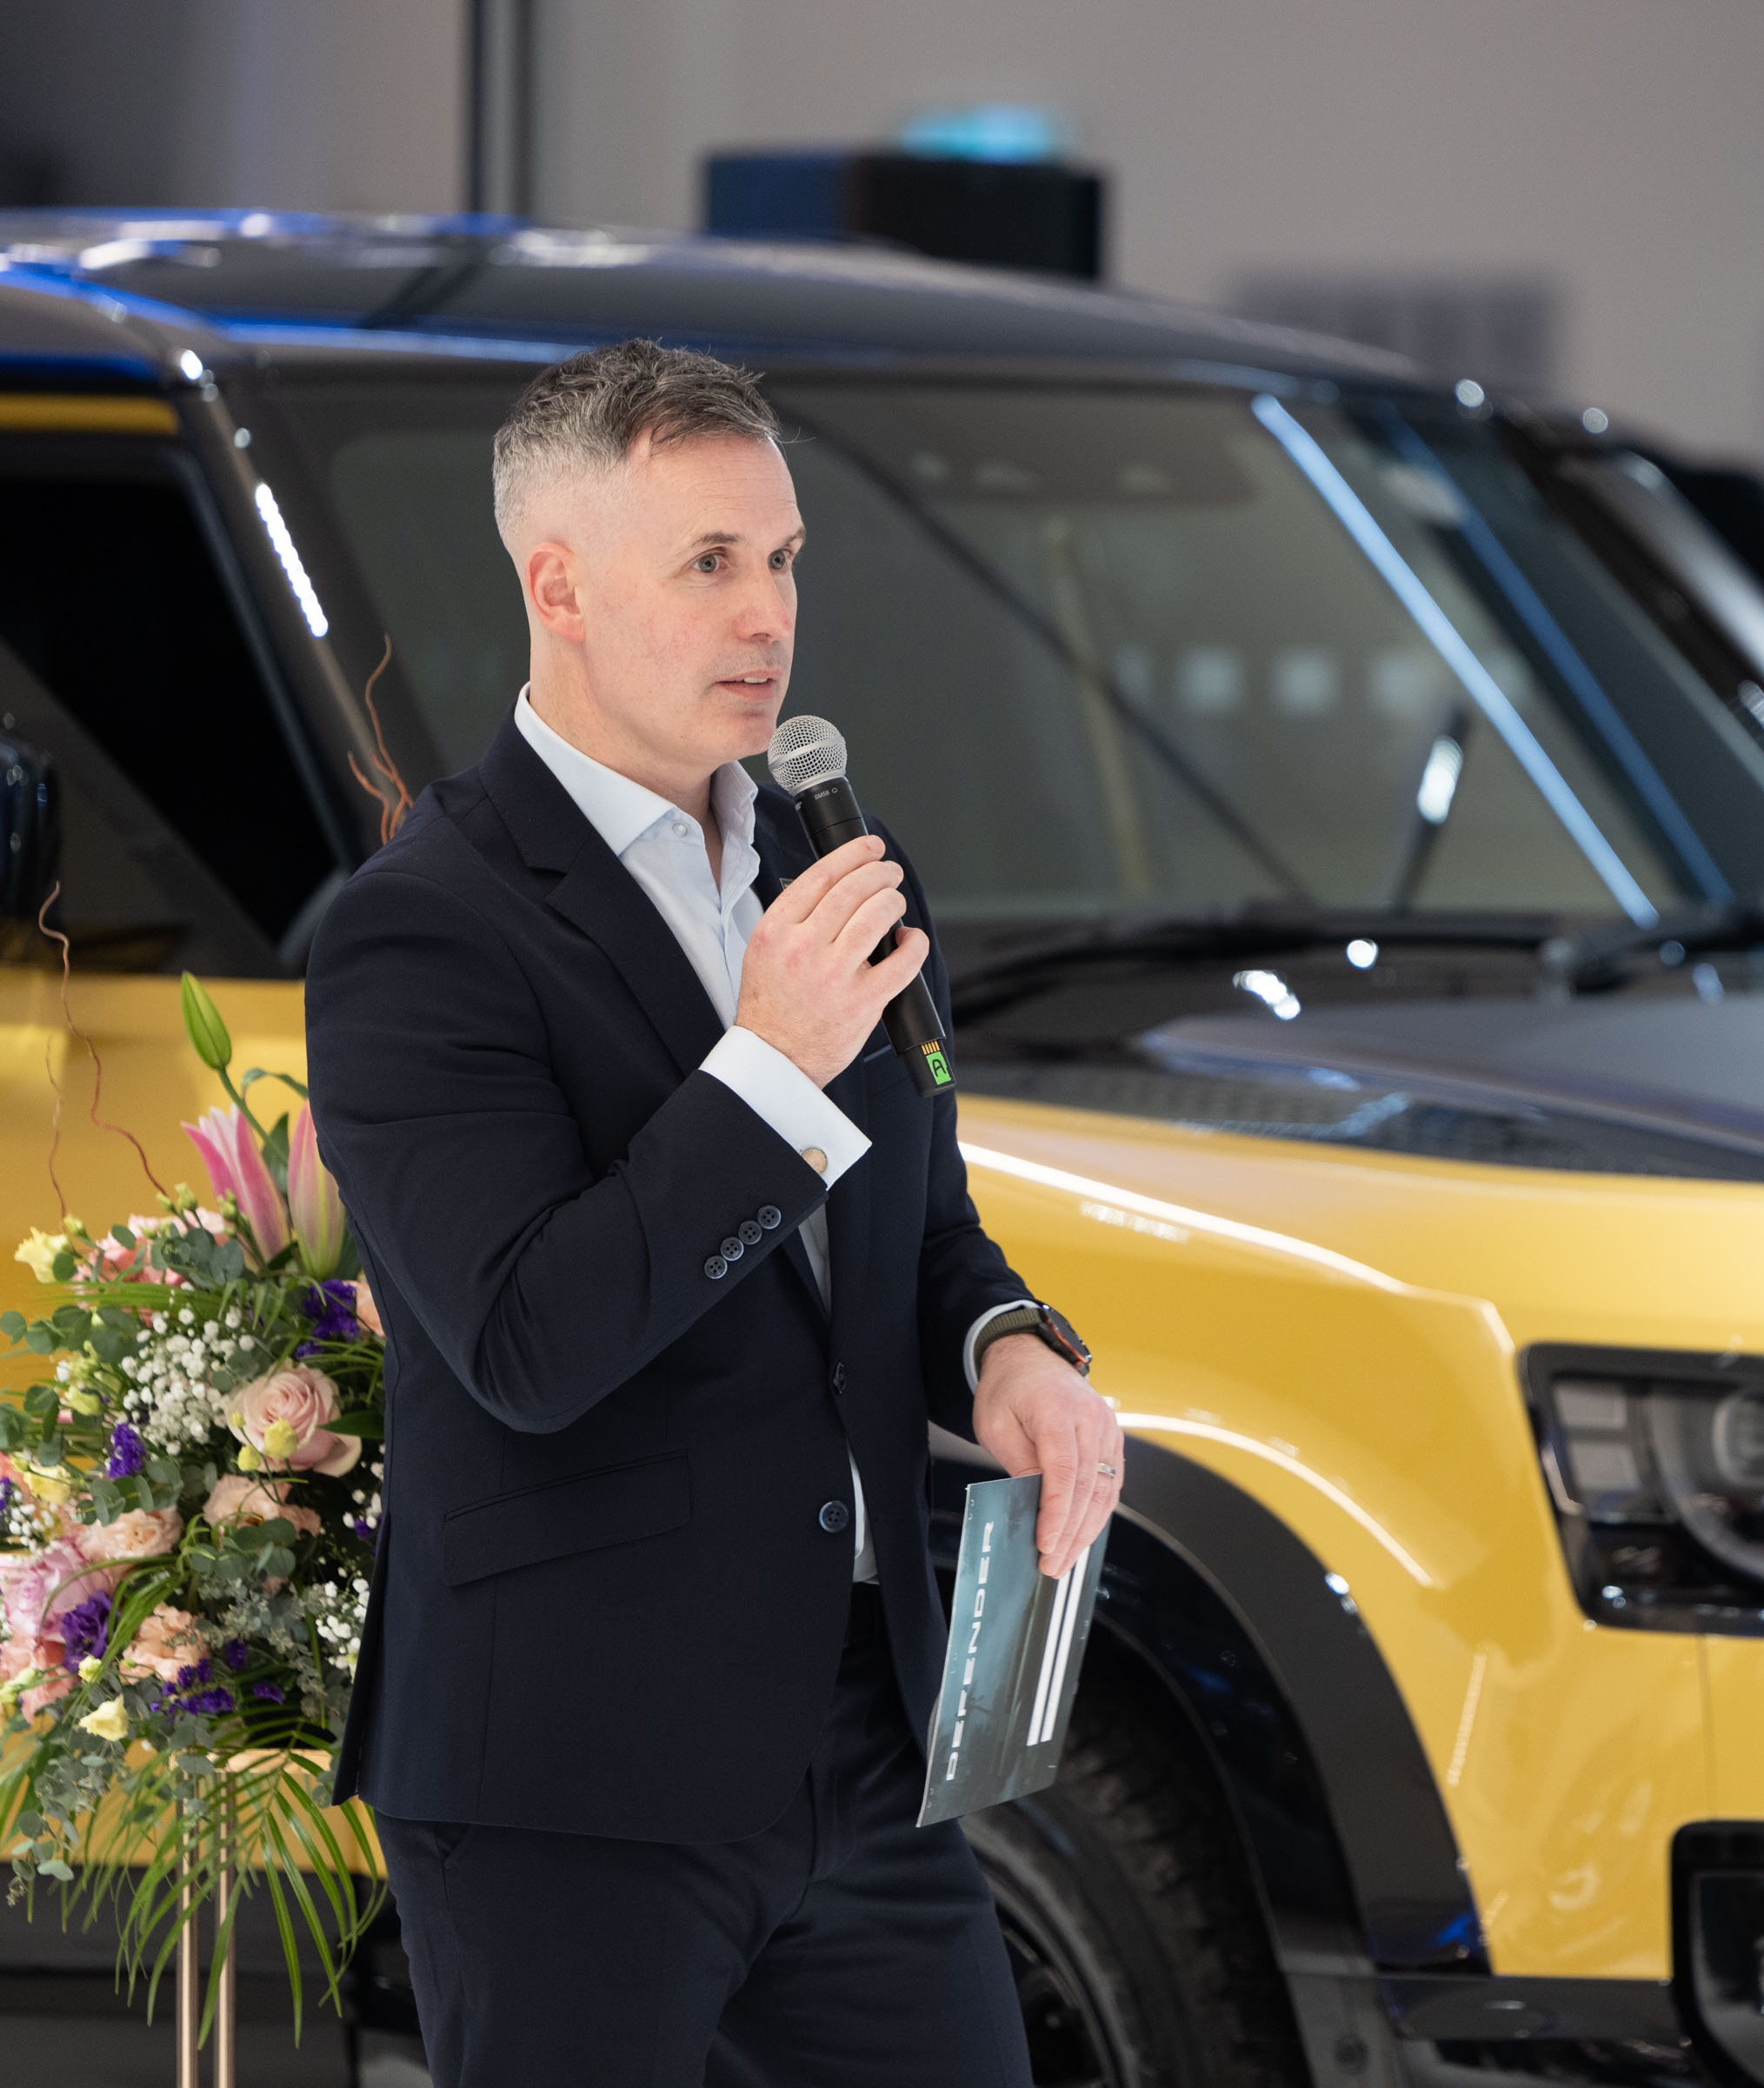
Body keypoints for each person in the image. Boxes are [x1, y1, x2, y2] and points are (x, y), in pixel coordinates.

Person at [304, 339, 1122, 2085]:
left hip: (861, 1738)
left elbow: (919, 1227)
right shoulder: (419, 930)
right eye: (709, 563)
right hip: (568, 1775)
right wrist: (765, 1068)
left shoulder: (832, 860)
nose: (769, 615)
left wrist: (1005, 1348)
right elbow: (530, 1338)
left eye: (785, 559)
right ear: (559, 588)